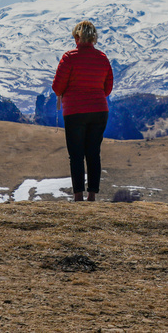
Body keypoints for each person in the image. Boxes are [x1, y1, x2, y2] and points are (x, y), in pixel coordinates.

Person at [52, 20, 114, 202]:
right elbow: (107, 88)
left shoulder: (69, 57)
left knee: (76, 154)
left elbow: (57, 88)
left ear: (77, 37)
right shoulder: (102, 58)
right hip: (99, 111)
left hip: (75, 112)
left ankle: (78, 195)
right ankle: (92, 195)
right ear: (94, 37)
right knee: (93, 152)